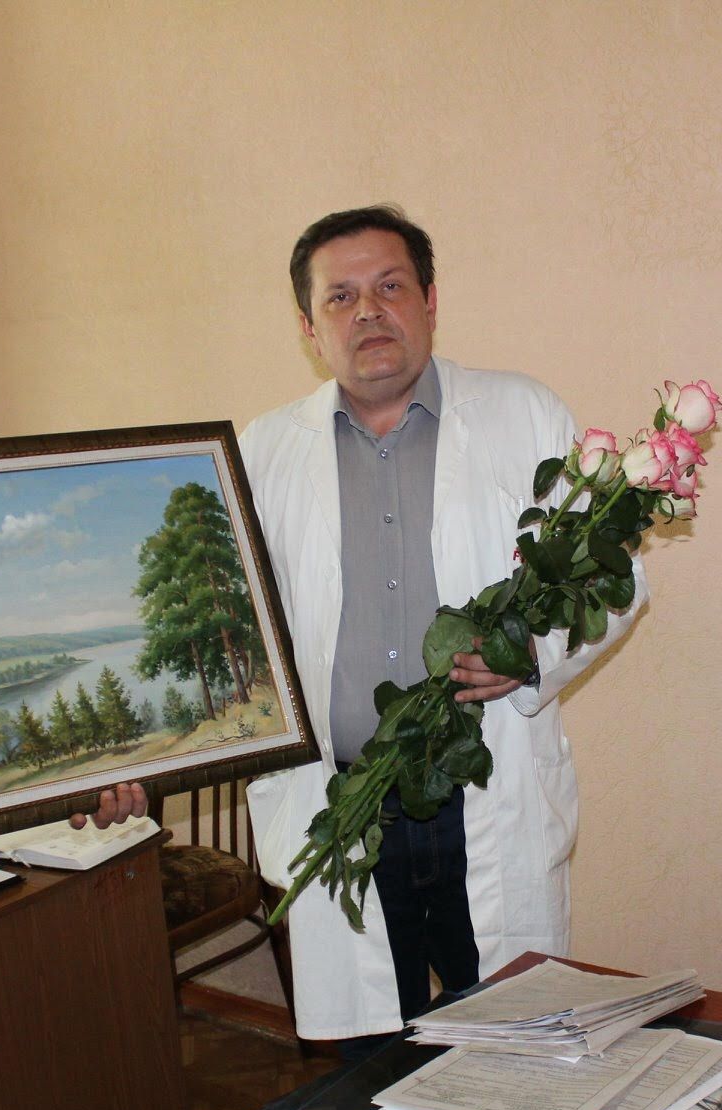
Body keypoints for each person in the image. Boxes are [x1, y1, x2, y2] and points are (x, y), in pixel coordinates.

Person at [74, 205, 644, 1048]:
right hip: (340, 803)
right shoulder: (258, 454)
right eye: (339, 297)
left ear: (430, 300)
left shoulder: (525, 416)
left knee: (512, 1047)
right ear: (309, 329)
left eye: (390, 286)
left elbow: (614, 575)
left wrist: (531, 653)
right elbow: (210, 645)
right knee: (369, 1064)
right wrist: (137, 768)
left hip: (485, 795)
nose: (368, 312)